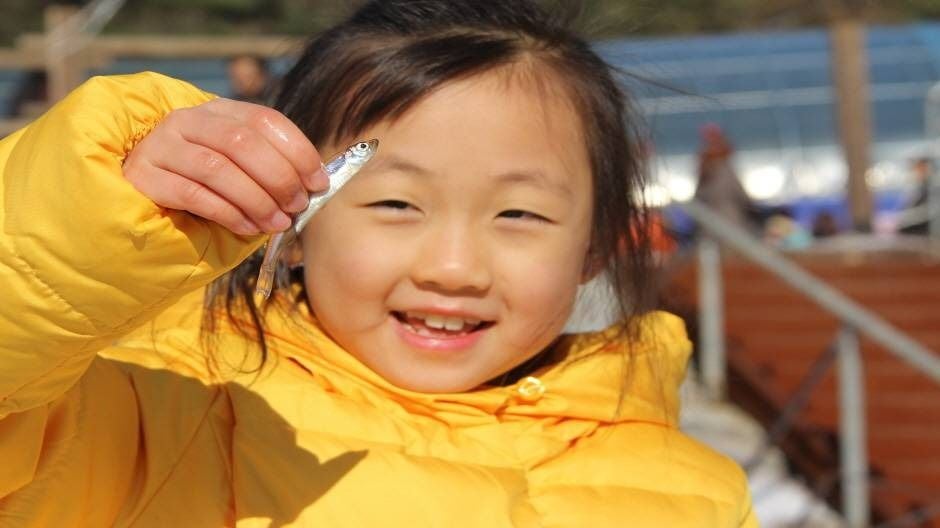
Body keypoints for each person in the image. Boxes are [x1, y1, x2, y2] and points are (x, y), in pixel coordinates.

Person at [0, 1, 757, 526]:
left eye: (519, 215)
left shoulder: (692, 496)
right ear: (295, 221)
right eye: (396, 204)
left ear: (594, 245)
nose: (454, 268)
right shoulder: (165, 418)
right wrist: (100, 215)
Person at [694, 122, 755, 232]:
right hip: (728, 218)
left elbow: (699, 195)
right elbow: (738, 191)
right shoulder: (721, 165)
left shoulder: (705, 165)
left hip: (712, 219)